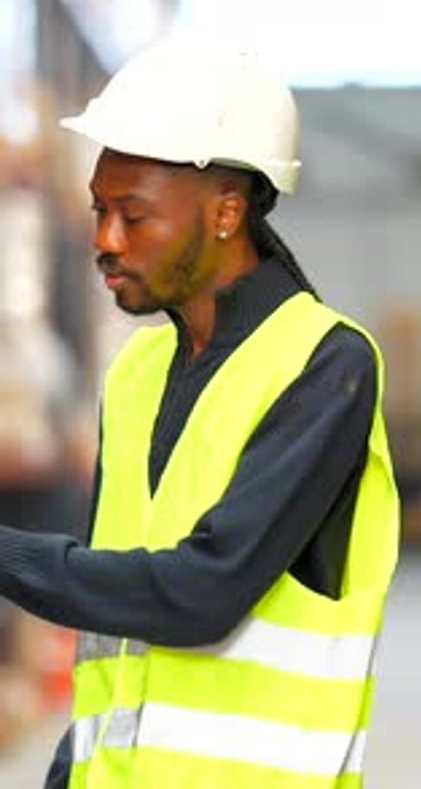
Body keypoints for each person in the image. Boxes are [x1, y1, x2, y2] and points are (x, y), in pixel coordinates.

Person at [0, 39, 399, 788]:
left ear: (225, 213)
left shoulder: (326, 366)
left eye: (134, 216)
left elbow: (199, 594)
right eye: (98, 210)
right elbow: (108, 615)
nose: (104, 241)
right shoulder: (137, 373)